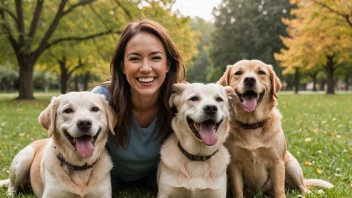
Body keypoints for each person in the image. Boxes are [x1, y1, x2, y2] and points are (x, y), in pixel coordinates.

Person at [91, 19, 185, 193]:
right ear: (122, 66)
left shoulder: (183, 101)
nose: (145, 68)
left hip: (156, 176)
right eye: (135, 59)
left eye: (155, 58)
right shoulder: (100, 100)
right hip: (105, 176)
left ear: (168, 64)